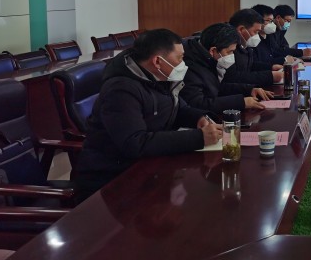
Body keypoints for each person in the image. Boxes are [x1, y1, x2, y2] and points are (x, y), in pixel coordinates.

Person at [75, 29, 223, 200]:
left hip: (147, 166)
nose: (183, 64)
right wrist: (199, 137)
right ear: (157, 61)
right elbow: (135, 143)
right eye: (180, 58)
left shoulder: (159, 77)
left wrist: (199, 118)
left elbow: (179, 109)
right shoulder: (121, 90)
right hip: (112, 179)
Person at [181, 23, 271, 120]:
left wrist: (249, 90)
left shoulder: (207, 58)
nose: (232, 56)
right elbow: (198, 104)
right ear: (213, 50)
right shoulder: (189, 67)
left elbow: (216, 88)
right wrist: (241, 102)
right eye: (229, 52)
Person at [223, 8, 283, 86]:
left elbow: (250, 65)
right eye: (256, 32)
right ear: (241, 29)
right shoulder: (228, 48)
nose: (257, 35)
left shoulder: (245, 43)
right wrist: (269, 76)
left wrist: (271, 67)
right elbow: (233, 77)